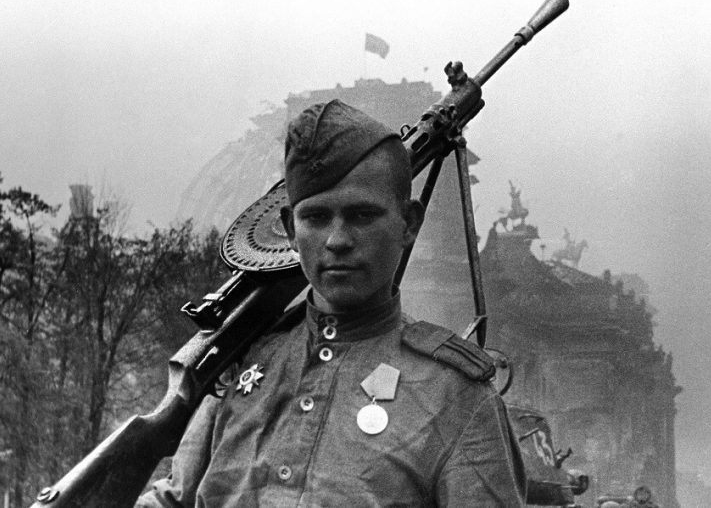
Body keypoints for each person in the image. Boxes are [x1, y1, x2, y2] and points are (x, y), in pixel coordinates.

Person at [136, 99, 526, 507]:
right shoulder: (241, 363)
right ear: (289, 230)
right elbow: (173, 500)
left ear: (409, 223)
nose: (337, 240)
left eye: (362, 216)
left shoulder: (456, 397)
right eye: (316, 218)